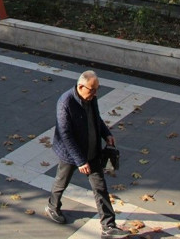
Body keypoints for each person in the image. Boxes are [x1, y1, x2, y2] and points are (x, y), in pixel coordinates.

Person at [45, 70, 128, 237]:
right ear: (81, 86)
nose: (95, 93)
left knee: (100, 188)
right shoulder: (65, 102)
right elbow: (65, 135)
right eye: (92, 89)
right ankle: (52, 207)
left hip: (93, 150)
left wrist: (106, 134)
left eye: (97, 89)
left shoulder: (91, 98)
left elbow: (96, 118)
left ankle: (108, 226)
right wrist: (80, 161)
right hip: (71, 153)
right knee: (61, 182)